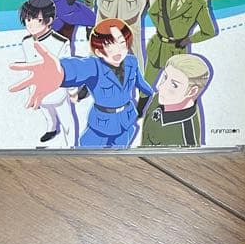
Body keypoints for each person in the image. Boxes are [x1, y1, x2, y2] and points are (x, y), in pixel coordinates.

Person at [9, 18, 152, 149]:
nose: (118, 50)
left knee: (117, 158)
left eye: (121, 42)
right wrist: (61, 71)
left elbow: (145, 89)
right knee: (86, 152)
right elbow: (79, 68)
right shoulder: (95, 65)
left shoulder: (131, 62)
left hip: (126, 122)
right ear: (99, 52)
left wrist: (139, 110)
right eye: (109, 46)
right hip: (101, 124)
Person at [144, 0, 217, 86]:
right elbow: (152, 12)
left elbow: (209, 31)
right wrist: (162, 28)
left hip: (176, 50)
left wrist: (189, 40)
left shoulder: (197, 3)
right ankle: (142, 100)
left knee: (173, 86)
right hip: (157, 47)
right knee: (146, 84)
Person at [16, 0, 75, 148]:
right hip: (37, 90)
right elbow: (31, 67)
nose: (31, 24)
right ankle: (52, 128)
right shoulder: (26, 42)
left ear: (49, 20)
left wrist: (72, 91)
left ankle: (70, 145)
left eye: (38, 20)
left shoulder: (61, 43)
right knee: (47, 111)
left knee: (66, 118)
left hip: (57, 90)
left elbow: (68, 69)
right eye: (28, 19)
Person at [138, 53, 211, 148]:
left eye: (174, 85)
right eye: (165, 77)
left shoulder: (185, 141)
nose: (160, 87)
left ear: (192, 91)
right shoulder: (162, 98)